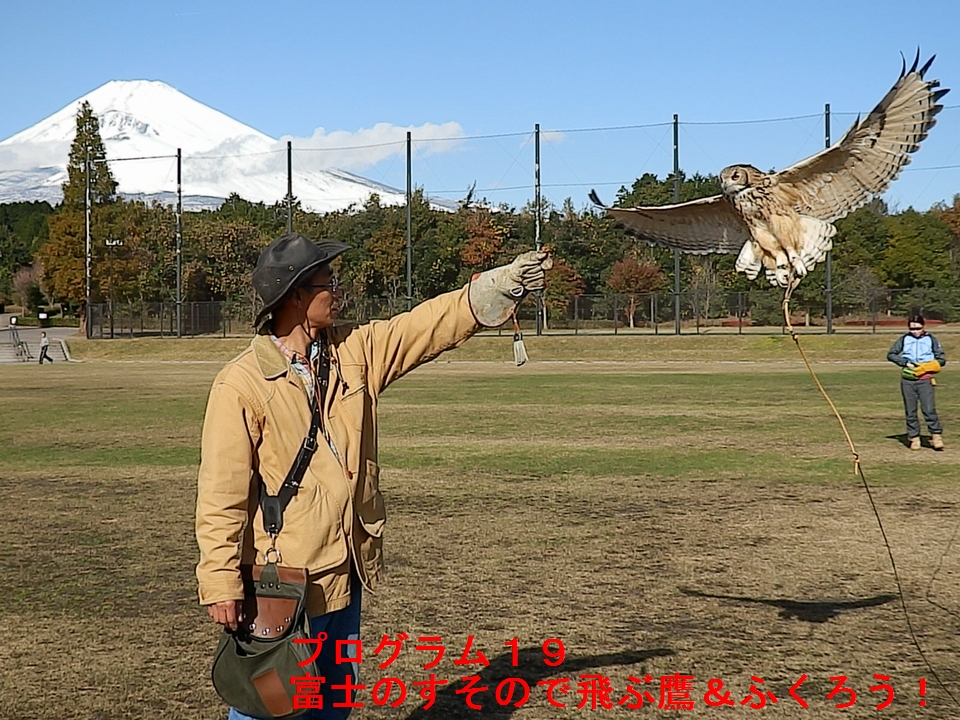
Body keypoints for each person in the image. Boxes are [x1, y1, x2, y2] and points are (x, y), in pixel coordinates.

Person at [195, 232, 551, 720]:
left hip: (347, 570)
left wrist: (497, 286)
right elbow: (221, 494)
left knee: (333, 704)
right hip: (285, 582)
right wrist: (220, 581)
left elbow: (423, 327)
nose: (338, 290)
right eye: (328, 281)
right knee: (270, 706)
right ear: (296, 296)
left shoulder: (353, 352)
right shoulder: (241, 383)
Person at [886, 313, 946, 450]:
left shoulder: (931, 339)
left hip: (925, 379)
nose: (915, 331)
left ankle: (936, 435)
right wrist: (905, 363)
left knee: (929, 409)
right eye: (912, 329)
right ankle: (914, 437)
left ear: (923, 326)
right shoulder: (904, 339)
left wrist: (928, 367)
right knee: (910, 410)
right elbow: (891, 354)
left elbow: (941, 359)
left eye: (918, 328)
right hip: (908, 379)